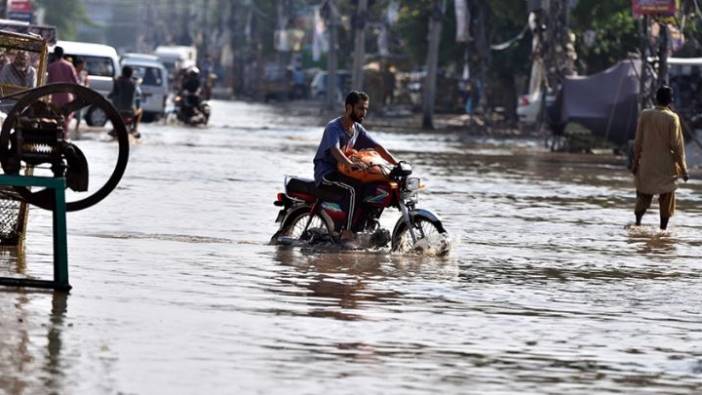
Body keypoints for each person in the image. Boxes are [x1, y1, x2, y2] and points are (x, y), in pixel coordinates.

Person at [313, 91, 398, 248]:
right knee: (353, 189)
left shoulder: (357, 129)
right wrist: (349, 163)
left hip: (343, 171)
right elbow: (334, 150)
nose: (363, 113)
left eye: (365, 109)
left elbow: (378, 147)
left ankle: (365, 226)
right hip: (327, 172)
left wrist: (396, 164)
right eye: (360, 108)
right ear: (348, 108)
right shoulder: (334, 127)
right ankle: (347, 232)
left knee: (372, 188)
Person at [631, 86, 689, 230]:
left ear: (656, 98)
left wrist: (635, 163)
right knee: (667, 197)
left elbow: (638, 142)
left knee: (644, 195)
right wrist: (683, 170)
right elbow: (677, 147)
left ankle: (637, 223)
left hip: (647, 164)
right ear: (670, 101)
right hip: (666, 166)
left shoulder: (645, 114)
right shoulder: (672, 118)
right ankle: (663, 230)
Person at [47, 46, 79, 133]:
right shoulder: (69, 65)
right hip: (67, 96)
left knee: (57, 118)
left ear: (54, 54)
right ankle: (64, 136)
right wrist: (77, 95)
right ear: (62, 54)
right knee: (66, 119)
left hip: (55, 97)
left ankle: (58, 136)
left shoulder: (51, 66)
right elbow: (76, 82)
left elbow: (48, 82)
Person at [109, 65, 143, 136]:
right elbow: (139, 93)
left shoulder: (117, 81)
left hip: (118, 110)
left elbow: (112, 94)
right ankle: (134, 129)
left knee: (112, 111)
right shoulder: (133, 83)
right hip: (130, 111)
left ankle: (114, 128)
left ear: (122, 73)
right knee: (140, 111)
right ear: (131, 74)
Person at [72, 57, 90, 133]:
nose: (83, 66)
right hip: (73, 95)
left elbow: (87, 83)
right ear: (78, 65)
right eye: (81, 65)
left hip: (81, 96)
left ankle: (76, 128)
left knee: (79, 115)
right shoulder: (73, 72)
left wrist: (86, 87)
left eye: (83, 65)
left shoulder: (84, 73)